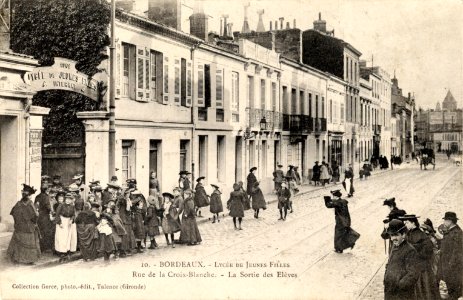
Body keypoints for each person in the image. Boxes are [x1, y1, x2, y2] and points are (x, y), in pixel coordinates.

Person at [400, 214, 440, 300]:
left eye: (406, 222)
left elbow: (428, 249)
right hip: (411, 267)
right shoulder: (408, 233)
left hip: (422, 268)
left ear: (413, 223)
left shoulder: (421, 234)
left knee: (424, 290)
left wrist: (416, 254)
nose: (405, 225)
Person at [383, 219, 420, 300]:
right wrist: (386, 278)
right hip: (390, 292)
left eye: (396, 235)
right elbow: (390, 264)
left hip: (401, 295)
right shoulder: (394, 246)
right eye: (391, 235)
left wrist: (399, 285)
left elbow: (413, 274)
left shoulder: (410, 251)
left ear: (403, 235)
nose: (392, 238)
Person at [7, 184, 41, 264]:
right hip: (28, 228)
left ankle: (17, 258)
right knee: (29, 242)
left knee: (18, 241)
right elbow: (35, 215)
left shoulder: (18, 203)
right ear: (29, 196)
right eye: (30, 195)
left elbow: (13, 213)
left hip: (19, 227)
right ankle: (29, 260)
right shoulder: (30, 204)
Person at [439, 212, 463, 300]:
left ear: (450, 221)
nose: (444, 222)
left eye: (445, 220)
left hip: (453, 269)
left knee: (454, 292)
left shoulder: (457, 233)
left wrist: (450, 265)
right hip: (448, 267)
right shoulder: (451, 232)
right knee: (450, 291)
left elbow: (457, 252)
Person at [54, 192, 78, 262]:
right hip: (62, 221)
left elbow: (73, 214)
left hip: (68, 222)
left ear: (71, 200)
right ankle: (62, 253)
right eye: (67, 199)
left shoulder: (72, 206)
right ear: (65, 199)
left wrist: (71, 220)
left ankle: (67, 251)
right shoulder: (61, 205)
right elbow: (57, 214)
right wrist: (59, 222)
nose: (68, 201)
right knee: (61, 237)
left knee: (68, 237)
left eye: (70, 199)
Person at [35, 183, 55, 252]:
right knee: (46, 231)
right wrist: (52, 212)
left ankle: (40, 247)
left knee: (40, 231)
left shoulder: (37, 196)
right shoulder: (46, 197)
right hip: (45, 216)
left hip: (38, 216)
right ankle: (45, 247)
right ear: (46, 190)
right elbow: (48, 207)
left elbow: (36, 206)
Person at [117, 190, 136, 256]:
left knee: (128, 234)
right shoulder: (123, 200)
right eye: (127, 193)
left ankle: (127, 249)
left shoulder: (128, 200)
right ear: (125, 194)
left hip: (127, 219)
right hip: (124, 219)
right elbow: (126, 209)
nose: (128, 194)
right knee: (124, 235)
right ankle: (123, 251)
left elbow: (129, 209)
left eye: (129, 193)